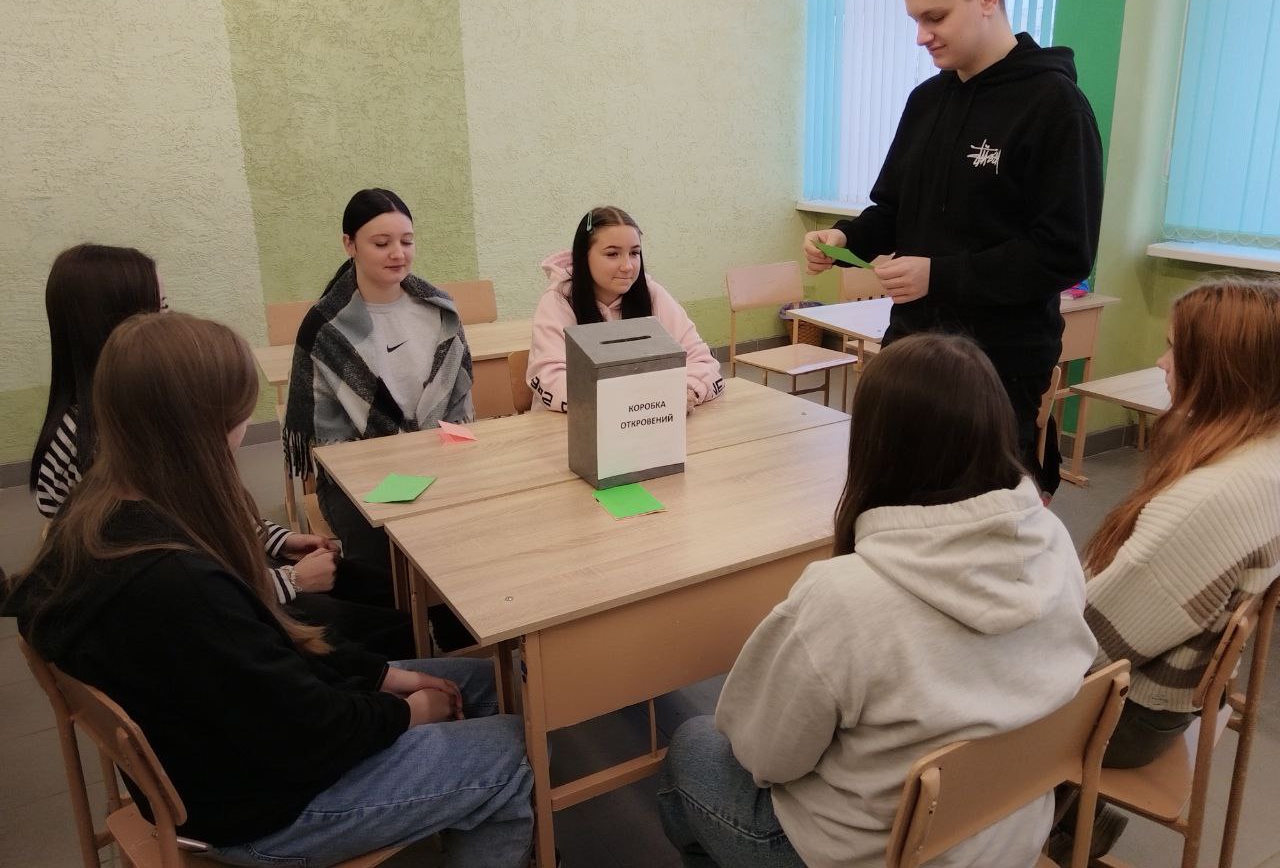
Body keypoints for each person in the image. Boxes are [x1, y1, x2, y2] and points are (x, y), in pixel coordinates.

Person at [3, 313, 532, 868]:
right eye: (240, 413)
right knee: (514, 748)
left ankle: (458, 802)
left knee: (486, 681)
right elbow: (310, 732)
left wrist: (384, 676)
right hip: (262, 809)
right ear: (204, 425)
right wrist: (406, 712)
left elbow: (271, 661)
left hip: (223, 762)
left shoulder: (100, 515)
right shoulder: (178, 584)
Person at [657, 333, 1097, 868]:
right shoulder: (1054, 541)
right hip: (1008, 833)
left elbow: (761, 757)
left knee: (692, 745)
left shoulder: (846, 596)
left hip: (878, 853)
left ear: (874, 445)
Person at [802, 0, 1102, 496]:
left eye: (935, 17)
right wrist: (845, 238)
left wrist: (938, 275)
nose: (922, 36)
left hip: (999, 363)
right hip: (912, 348)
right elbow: (893, 210)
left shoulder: (1055, 106)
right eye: (915, 20)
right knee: (893, 495)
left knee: (980, 511)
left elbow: (1065, 252)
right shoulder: (926, 101)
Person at [29, 243, 413, 660]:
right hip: (214, 622)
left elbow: (209, 509)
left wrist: (277, 540)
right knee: (388, 623)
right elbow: (180, 592)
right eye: (160, 308)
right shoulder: (115, 448)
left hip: (233, 582)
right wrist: (291, 581)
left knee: (381, 586)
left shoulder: (135, 419)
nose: (171, 321)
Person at [1049, 278, 1280, 862]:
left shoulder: (1210, 501)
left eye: (1175, 348)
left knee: (943, 679)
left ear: (1223, 371)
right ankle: (1060, 817)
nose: (1160, 362)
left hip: (1129, 718)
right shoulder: (1266, 455)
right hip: (1171, 699)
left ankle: (1044, 824)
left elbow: (1089, 644)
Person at [284, 188, 474, 651]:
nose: (397, 254)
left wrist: (439, 458)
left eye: (406, 241)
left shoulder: (439, 309)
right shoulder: (326, 326)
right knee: (385, 559)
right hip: (357, 476)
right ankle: (401, 653)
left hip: (437, 458)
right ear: (349, 244)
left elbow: (458, 403)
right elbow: (328, 440)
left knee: (465, 543)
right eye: (381, 243)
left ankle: (461, 643)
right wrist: (397, 468)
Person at [527, 206, 724, 413]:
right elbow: (550, 377)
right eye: (612, 254)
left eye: (634, 253)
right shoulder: (559, 300)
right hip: (568, 424)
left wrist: (687, 390)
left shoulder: (652, 294)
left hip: (645, 419)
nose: (628, 266)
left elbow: (701, 359)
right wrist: (629, 402)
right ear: (583, 256)